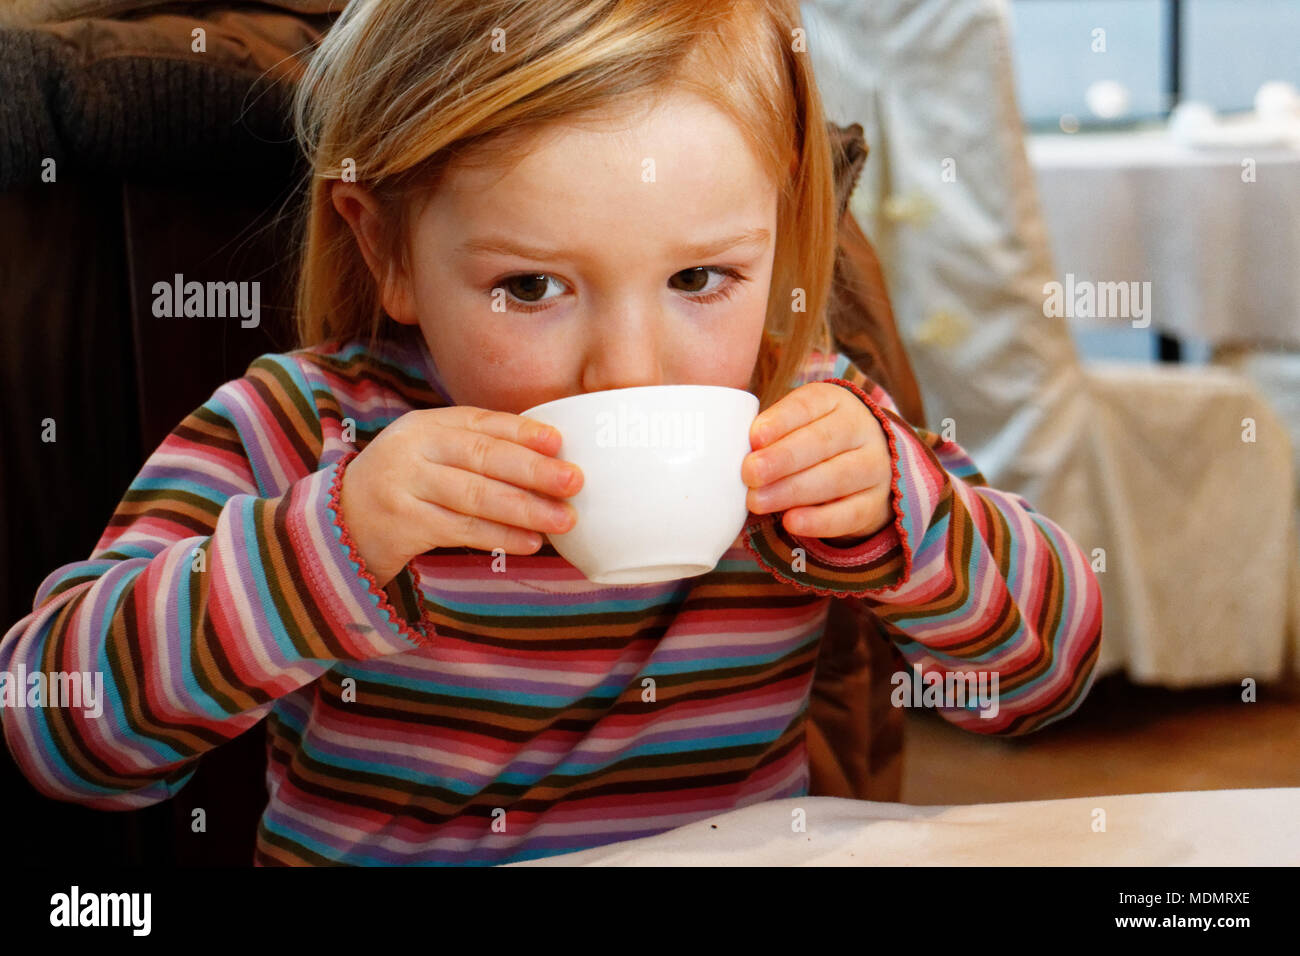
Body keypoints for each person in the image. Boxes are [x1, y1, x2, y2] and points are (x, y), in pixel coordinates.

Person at [0, 0, 1102, 865]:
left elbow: (1047, 672)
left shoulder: (810, 418)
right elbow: (58, 723)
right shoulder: (306, 430)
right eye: (531, 285)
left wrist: (905, 524)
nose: (629, 368)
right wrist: (326, 547)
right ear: (384, 249)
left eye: (699, 278)